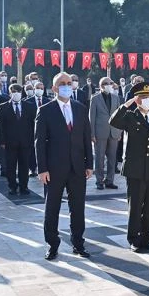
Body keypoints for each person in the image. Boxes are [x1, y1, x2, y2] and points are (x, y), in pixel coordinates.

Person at [36, 72, 93, 260]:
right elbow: (39, 142)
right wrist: (42, 169)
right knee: (52, 208)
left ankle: (78, 243)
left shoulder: (80, 108)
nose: (67, 86)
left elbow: (86, 138)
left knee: (77, 208)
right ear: (54, 88)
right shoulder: (45, 110)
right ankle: (52, 245)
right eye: (62, 83)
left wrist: (89, 164)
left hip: (77, 167)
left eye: (69, 83)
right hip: (54, 169)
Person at [110, 82, 149, 253]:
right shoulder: (130, 116)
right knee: (135, 206)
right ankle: (134, 239)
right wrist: (127, 104)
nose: (147, 100)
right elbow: (113, 121)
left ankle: (146, 238)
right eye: (143, 97)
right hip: (135, 168)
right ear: (137, 99)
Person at [0, 83, 36, 195]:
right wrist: (1, 141)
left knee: (24, 165)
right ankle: (12, 186)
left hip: (25, 142)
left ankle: (24, 186)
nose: (16, 93)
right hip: (9, 142)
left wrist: (33, 139)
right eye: (14, 91)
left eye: (18, 91)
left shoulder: (29, 106)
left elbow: (34, 124)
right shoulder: (3, 107)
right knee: (11, 165)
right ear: (10, 93)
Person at [88, 77, 121, 190]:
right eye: (105, 83)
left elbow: (119, 116)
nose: (108, 85)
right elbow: (92, 117)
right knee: (99, 158)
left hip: (114, 132)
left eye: (110, 83)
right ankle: (99, 181)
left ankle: (110, 180)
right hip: (100, 133)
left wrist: (119, 131)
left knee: (112, 159)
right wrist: (92, 134)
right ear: (100, 85)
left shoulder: (116, 98)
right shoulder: (95, 98)